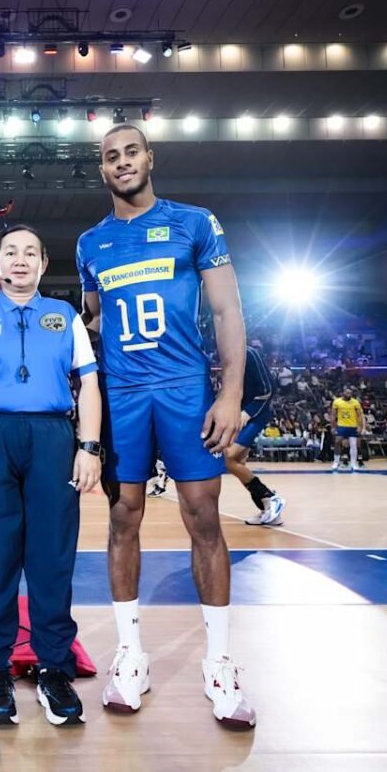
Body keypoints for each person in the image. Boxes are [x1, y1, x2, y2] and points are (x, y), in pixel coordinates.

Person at [77, 123, 255, 729]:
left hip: (184, 388)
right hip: (123, 394)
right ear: (102, 169)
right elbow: (94, 321)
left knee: (203, 517)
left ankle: (220, 662)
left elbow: (227, 310)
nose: (122, 162)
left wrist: (230, 394)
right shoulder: (91, 243)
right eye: (111, 157)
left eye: (132, 152)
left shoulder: (194, 223)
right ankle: (130, 654)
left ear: (150, 158)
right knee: (122, 517)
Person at [0, 225, 101, 727]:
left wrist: (89, 446)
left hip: (52, 437)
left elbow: (89, 384)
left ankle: (55, 667)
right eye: (10, 251)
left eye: (30, 252)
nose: (20, 259)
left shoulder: (65, 316)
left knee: (52, 557)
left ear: (42, 263)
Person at [227, 345, 285, 526]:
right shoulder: (226, 355)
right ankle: (269, 509)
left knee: (229, 457)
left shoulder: (248, 352)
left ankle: (270, 498)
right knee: (237, 464)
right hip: (240, 414)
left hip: (256, 415)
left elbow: (268, 388)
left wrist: (248, 412)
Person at [330, 387, 363, 472]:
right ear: (343, 393)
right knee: (337, 442)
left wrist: (360, 427)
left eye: (350, 392)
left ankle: (353, 463)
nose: (349, 394)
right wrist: (333, 427)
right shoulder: (337, 402)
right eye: (347, 392)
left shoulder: (355, 402)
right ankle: (336, 462)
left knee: (353, 445)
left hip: (353, 426)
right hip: (341, 425)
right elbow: (333, 415)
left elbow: (359, 415)